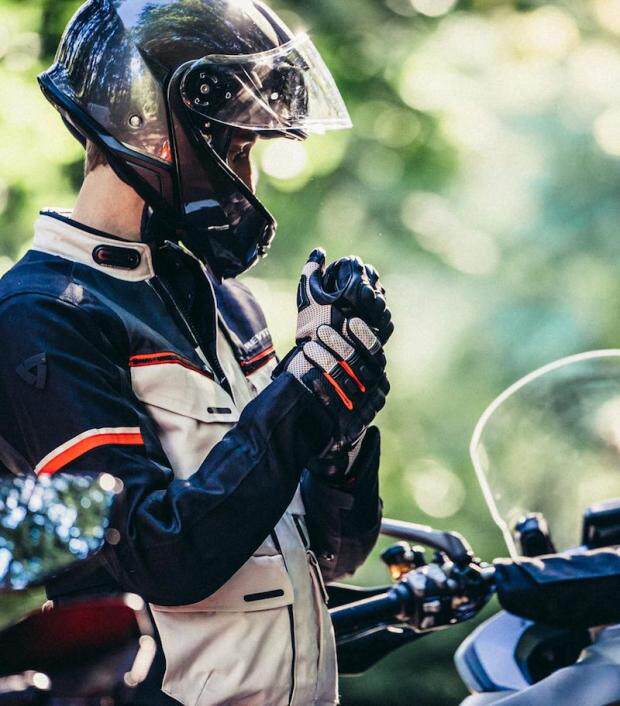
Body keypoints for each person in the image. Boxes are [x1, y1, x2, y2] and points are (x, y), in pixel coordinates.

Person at [0, 1, 393, 705]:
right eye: (238, 150)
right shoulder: (42, 318)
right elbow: (158, 557)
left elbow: (333, 556)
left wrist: (340, 424)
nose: (250, 179)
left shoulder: (227, 304)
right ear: (154, 134)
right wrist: (304, 393)